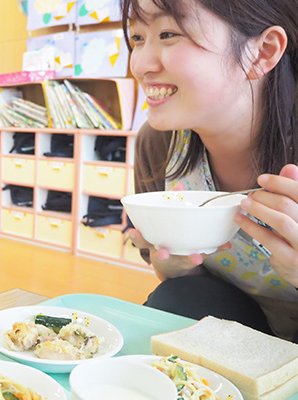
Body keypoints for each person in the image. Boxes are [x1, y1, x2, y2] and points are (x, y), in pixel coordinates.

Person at [121, 0, 298, 341]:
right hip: (237, 326)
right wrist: (172, 266)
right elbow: (186, 291)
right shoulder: (158, 145)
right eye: (138, 37)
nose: (141, 65)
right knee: (178, 298)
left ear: (262, 52)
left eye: (168, 33)